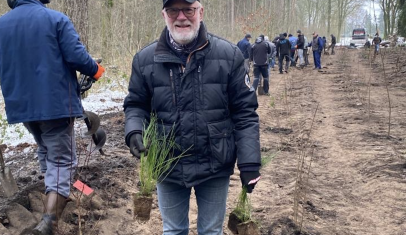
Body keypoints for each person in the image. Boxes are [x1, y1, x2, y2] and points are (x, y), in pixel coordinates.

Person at [123, 0, 261, 234]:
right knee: (174, 230)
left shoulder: (229, 55)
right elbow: (136, 105)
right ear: (164, 14)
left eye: (188, 9)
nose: (181, 17)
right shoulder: (145, 60)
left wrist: (249, 162)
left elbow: (245, 112)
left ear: (201, 12)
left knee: (210, 231)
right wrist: (134, 130)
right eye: (173, 10)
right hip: (168, 163)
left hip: (215, 161)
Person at [0, 0, 105, 234]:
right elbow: (77, 56)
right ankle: (49, 222)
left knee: (46, 148)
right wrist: (96, 69)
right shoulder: (56, 19)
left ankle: (54, 193)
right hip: (55, 104)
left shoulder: (2, 24)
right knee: (62, 160)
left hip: (22, 106)